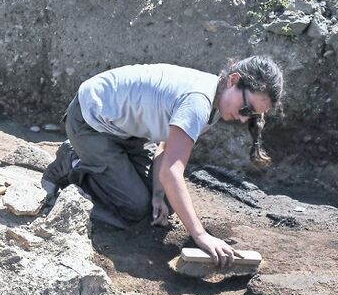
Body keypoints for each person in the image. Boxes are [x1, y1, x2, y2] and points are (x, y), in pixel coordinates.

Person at [42, 56, 284, 268]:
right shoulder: (198, 102)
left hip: (126, 131)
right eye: (246, 108)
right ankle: (73, 159)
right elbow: (172, 172)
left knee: (164, 200)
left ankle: (95, 163)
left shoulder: (214, 101)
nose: (243, 119)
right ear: (233, 80)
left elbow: (166, 147)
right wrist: (200, 235)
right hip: (89, 120)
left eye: (251, 115)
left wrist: (158, 193)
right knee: (135, 208)